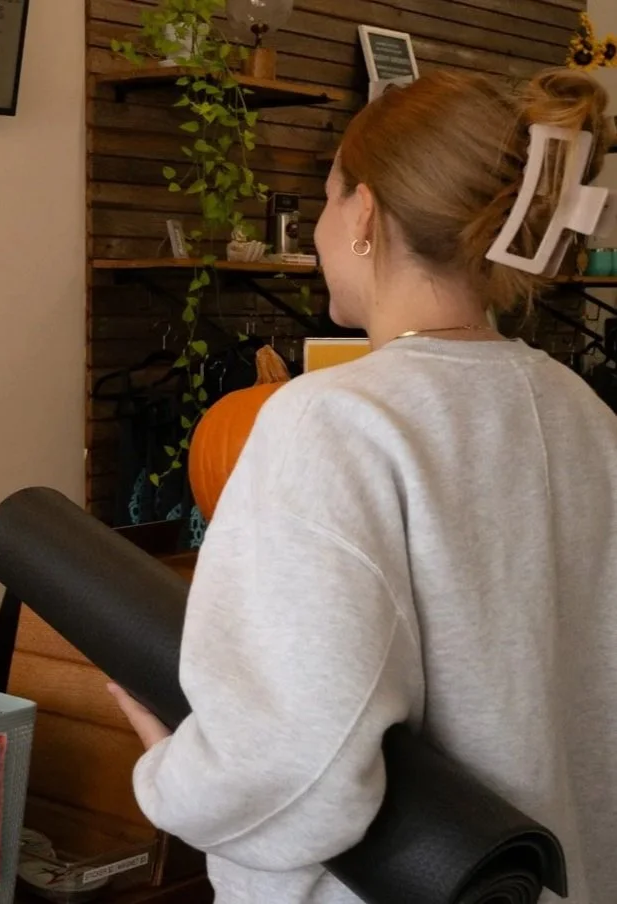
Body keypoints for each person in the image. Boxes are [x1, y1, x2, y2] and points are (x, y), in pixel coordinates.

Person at [107, 68, 617, 903]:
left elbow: (294, 760)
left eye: (328, 197)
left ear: (367, 215)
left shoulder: (331, 423)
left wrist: (174, 774)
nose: (316, 229)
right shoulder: (584, 415)